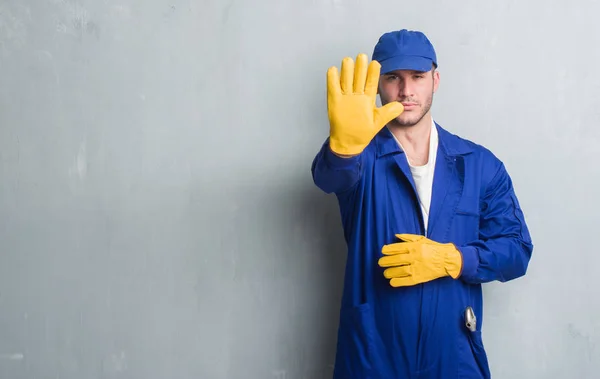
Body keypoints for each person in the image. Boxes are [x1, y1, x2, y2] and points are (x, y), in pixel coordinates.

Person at [311, 29, 534, 379]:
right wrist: (343, 148)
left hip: (454, 357)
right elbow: (329, 179)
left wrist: (454, 259)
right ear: (377, 84)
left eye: (417, 77)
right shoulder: (360, 156)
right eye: (393, 78)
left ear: (436, 79)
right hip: (372, 357)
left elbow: (517, 250)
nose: (406, 91)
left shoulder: (478, 164)